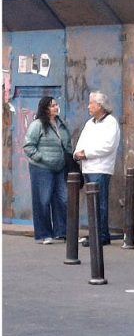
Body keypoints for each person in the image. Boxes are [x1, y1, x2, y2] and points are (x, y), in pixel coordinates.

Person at [23, 96, 72, 244]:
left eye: (56, 105)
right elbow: (28, 146)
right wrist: (41, 158)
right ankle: (44, 234)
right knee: (43, 200)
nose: (56, 108)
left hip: (60, 167)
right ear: (45, 109)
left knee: (63, 199)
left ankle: (61, 231)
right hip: (41, 168)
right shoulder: (37, 125)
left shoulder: (61, 124)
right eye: (52, 106)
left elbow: (67, 144)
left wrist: (67, 159)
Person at [74, 91, 121, 247]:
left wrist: (86, 154)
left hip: (101, 168)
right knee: (91, 203)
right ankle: (95, 233)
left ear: (100, 106)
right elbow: (81, 142)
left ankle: (102, 235)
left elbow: (107, 146)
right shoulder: (89, 123)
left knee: (100, 203)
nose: (89, 106)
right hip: (87, 168)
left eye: (91, 103)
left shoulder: (110, 123)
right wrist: (77, 153)